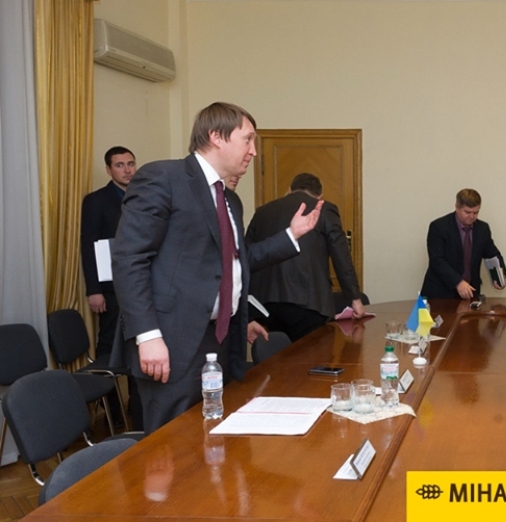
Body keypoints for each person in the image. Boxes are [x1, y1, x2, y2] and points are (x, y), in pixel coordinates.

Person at [112, 102, 322, 433]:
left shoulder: (229, 199)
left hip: (219, 340)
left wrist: (290, 236)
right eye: (247, 139)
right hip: (172, 342)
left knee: (213, 437)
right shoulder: (163, 178)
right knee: (171, 444)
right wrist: (147, 335)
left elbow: (234, 261)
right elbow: (129, 258)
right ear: (216, 136)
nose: (253, 151)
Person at [246, 173, 365, 341]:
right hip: (308, 303)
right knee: (311, 355)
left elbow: (244, 259)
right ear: (319, 196)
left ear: (289, 190)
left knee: (275, 354)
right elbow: (341, 258)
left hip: (264, 305)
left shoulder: (262, 212)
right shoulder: (324, 209)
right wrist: (355, 298)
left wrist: (247, 313)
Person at [80, 146, 140, 428]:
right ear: (109, 169)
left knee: (138, 347)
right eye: (120, 165)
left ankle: (138, 412)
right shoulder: (96, 201)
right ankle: (114, 417)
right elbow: (88, 246)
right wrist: (93, 289)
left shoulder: (143, 195)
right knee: (110, 350)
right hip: (110, 289)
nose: (127, 170)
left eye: (130, 164)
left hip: (138, 286)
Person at [420, 188, 506, 299]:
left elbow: (492, 254)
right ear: (457, 207)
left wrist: (499, 275)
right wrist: (458, 282)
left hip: (470, 292)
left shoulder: (482, 228)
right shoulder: (439, 227)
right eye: (467, 212)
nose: (472, 216)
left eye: (476, 212)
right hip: (440, 292)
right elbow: (437, 260)